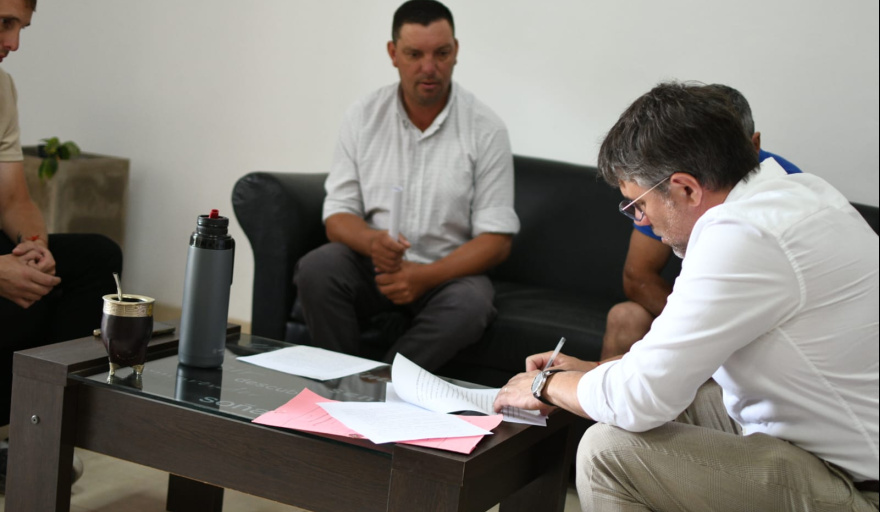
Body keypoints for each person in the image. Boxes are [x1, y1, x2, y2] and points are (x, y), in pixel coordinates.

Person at [494, 82, 879, 511]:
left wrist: (546, 385)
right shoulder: (797, 191)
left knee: (608, 451)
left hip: (858, 484)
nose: (641, 220)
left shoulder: (741, 236)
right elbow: (672, 361)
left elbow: (638, 398)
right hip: (824, 435)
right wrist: (592, 372)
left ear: (686, 189)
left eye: (637, 204)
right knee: (672, 399)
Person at [294, 0, 519, 371]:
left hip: (446, 272)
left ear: (456, 51)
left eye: (441, 53)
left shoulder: (486, 128)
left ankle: (379, 385)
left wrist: (423, 276)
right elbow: (337, 216)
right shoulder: (363, 116)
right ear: (393, 53)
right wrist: (372, 243)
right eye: (414, 54)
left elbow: (496, 240)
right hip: (371, 264)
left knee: (471, 305)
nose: (429, 67)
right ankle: (339, 379)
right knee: (318, 267)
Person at [1, 0, 122, 492]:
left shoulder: (1, 88)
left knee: (95, 260)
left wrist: (34, 247)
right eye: (5, 23)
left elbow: (13, 197)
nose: (14, 43)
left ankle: (35, 428)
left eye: (20, 28)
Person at [600, 83, 804, 360]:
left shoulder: (771, 210)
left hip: (757, 325)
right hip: (693, 312)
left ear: (753, 145)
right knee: (625, 316)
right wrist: (685, 325)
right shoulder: (665, 193)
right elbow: (638, 275)